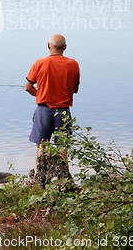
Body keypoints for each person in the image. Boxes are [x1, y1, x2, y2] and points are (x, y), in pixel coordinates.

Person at [24, 34, 80, 166]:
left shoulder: (40, 63)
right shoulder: (73, 64)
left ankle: (39, 178)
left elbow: (27, 87)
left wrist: (41, 95)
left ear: (48, 46)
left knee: (41, 150)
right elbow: (75, 89)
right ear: (65, 47)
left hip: (43, 111)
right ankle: (63, 179)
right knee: (62, 150)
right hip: (63, 112)